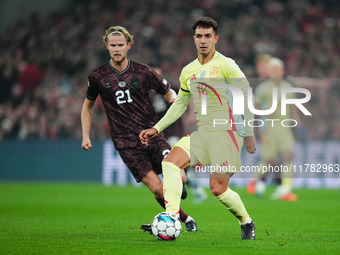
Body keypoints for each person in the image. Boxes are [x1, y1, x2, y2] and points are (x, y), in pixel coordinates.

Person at [140, 17, 256, 240]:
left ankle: (246, 221)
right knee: (170, 163)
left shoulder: (226, 64)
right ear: (194, 39)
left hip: (227, 133)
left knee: (218, 189)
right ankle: (172, 216)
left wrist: (248, 132)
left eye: (208, 36)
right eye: (199, 36)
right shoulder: (188, 71)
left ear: (216, 39)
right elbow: (181, 104)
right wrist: (156, 128)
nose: (203, 41)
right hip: (204, 134)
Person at [81, 26, 197, 232]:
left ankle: (177, 200)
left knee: (180, 176)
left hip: (152, 135)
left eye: (120, 45)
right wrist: (85, 135)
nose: (117, 49)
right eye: (113, 45)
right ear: (107, 46)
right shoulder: (97, 76)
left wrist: (171, 98)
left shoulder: (143, 71)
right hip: (126, 143)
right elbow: (87, 106)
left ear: (128, 45)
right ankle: (186, 220)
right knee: (158, 190)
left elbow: (167, 90)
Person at [250, 58, 299, 201]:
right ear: (270, 72)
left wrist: (297, 122)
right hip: (268, 128)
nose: (277, 72)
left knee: (288, 156)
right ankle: (255, 181)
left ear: (283, 71)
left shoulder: (288, 87)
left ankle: (285, 190)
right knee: (270, 161)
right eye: (274, 70)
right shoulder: (263, 88)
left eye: (279, 69)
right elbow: (256, 109)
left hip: (284, 127)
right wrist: (256, 129)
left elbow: (293, 107)